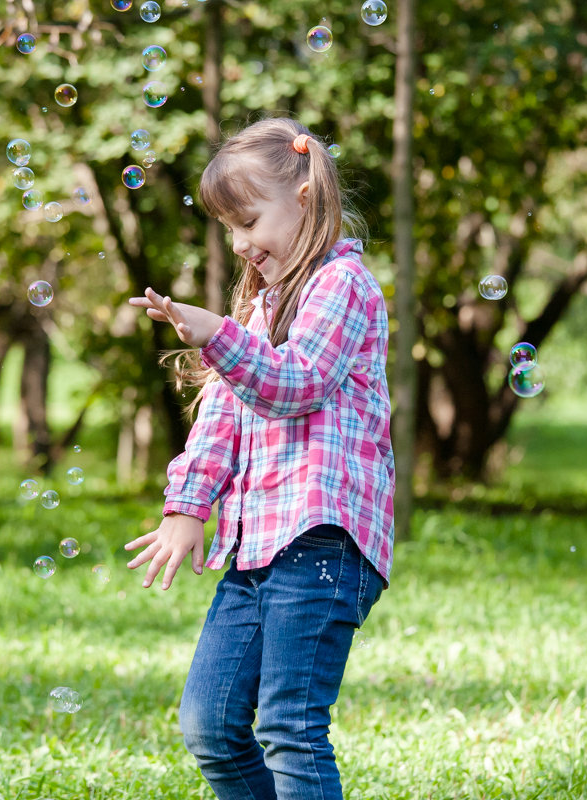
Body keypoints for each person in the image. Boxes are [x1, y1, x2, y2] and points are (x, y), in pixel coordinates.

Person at [125, 117, 395, 800]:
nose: (241, 244)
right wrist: (188, 506)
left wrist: (215, 333)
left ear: (304, 196)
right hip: (255, 548)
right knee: (210, 725)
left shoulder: (344, 285)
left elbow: (295, 383)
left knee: (289, 725)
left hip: (322, 543)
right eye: (230, 230)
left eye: (249, 222)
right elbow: (222, 413)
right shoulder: (259, 310)